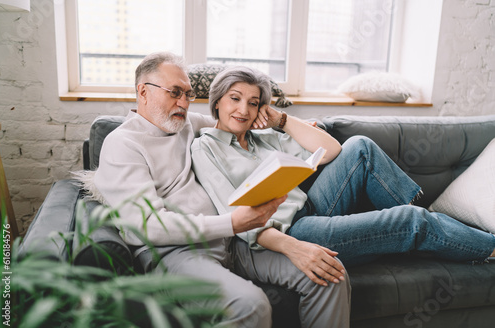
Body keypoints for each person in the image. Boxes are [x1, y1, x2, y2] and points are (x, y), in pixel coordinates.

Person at [93, 52, 351, 328]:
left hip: (233, 242)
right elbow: (147, 226)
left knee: (328, 274)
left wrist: (275, 118)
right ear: (143, 91)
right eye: (174, 93)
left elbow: (233, 117)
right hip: (176, 253)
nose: (183, 103)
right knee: (251, 306)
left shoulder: (186, 122)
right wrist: (232, 223)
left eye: (188, 94)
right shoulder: (122, 145)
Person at [190, 65, 495, 283]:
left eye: (253, 103)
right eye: (235, 98)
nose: (244, 109)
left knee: (360, 146)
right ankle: (484, 246)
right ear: (217, 101)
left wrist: (281, 119)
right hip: (292, 231)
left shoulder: (265, 137)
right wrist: (292, 247)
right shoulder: (205, 148)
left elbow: (331, 151)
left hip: (311, 206)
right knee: (411, 220)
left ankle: (431, 231)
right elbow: (233, 215)